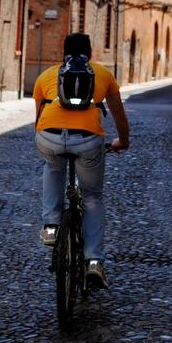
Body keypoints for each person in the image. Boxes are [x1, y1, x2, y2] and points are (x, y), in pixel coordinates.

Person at [33, 32, 130, 289]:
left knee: (53, 165)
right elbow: (119, 115)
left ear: (62, 52)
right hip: (88, 141)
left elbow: (38, 117)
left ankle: (51, 226)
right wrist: (123, 140)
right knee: (92, 197)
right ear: (90, 52)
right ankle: (94, 262)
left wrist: (51, 141)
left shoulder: (46, 76)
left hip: (49, 136)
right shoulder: (103, 74)